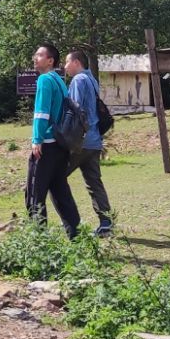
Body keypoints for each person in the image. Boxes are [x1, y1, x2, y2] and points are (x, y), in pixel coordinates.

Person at [24, 43, 82, 238]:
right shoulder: (59, 80)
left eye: (39, 55)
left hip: (47, 144)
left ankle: (39, 240)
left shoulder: (44, 80)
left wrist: (36, 140)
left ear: (50, 61)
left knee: (34, 193)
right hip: (61, 145)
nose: (35, 57)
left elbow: (42, 113)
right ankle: (76, 235)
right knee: (60, 191)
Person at [62, 50, 115, 238]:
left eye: (67, 62)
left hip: (80, 141)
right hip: (94, 141)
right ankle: (106, 224)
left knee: (56, 178)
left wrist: (64, 136)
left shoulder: (78, 81)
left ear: (76, 62)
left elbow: (75, 109)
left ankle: (71, 222)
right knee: (94, 183)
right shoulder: (92, 80)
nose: (65, 66)